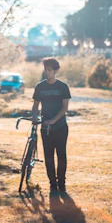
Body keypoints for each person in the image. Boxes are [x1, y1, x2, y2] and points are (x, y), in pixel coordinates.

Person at [31, 57, 71, 193]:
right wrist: (35, 115)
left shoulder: (63, 87)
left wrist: (53, 120)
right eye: (45, 70)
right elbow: (35, 105)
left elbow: (65, 108)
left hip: (60, 127)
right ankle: (53, 184)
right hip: (45, 128)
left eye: (49, 70)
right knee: (48, 156)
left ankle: (62, 184)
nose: (46, 72)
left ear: (56, 71)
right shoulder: (40, 87)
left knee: (61, 156)